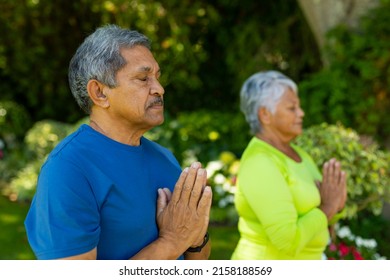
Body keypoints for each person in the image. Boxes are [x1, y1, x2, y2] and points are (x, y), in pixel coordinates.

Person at [24, 24, 212, 260]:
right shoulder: (68, 169)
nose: (160, 89)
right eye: (143, 78)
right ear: (100, 93)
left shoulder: (165, 158)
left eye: (157, 77)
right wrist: (172, 242)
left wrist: (195, 237)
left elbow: (198, 258)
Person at [231, 70, 347, 260]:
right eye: (292, 108)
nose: (301, 113)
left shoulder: (299, 154)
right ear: (265, 115)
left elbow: (320, 216)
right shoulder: (260, 163)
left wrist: (337, 205)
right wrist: (328, 206)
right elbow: (287, 242)